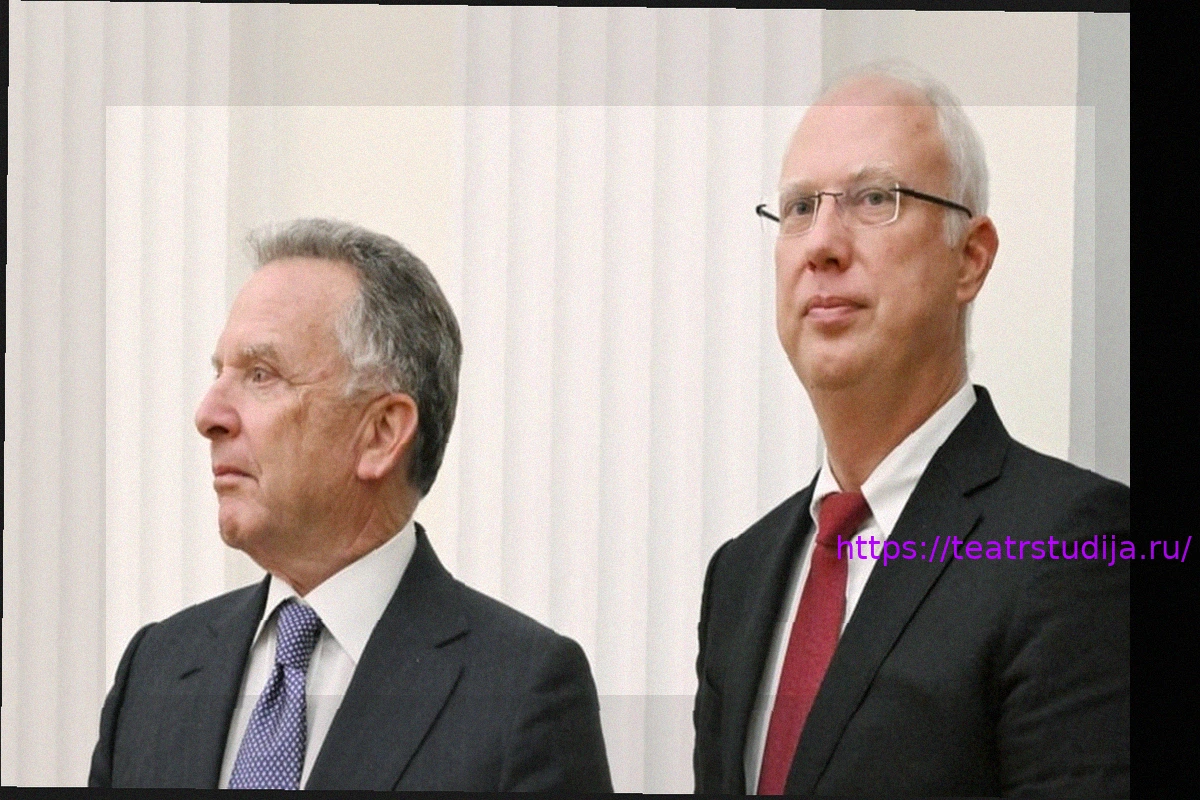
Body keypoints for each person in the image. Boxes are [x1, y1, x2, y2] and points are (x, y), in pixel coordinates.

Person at [693, 63, 1129, 797]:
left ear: (970, 259)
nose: (821, 244)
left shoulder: (1076, 546)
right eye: (799, 207)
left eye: (874, 199)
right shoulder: (739, 575)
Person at [90, 218, 613, 791]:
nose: (208, 415)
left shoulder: (520, 692)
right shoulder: (156, 669)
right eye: (220, 373)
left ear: (381, 433)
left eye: (261, 375)